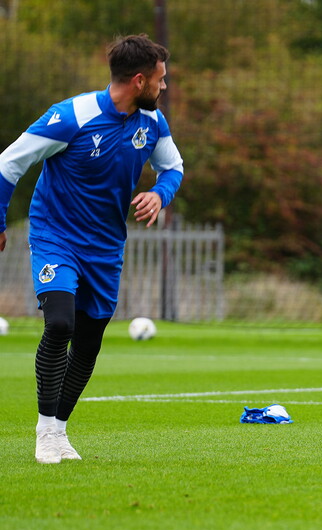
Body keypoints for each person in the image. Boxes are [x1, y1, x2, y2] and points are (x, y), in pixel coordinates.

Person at [0, 34, 184, 464]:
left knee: (87, 343)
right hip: (55, 237)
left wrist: (159, 194)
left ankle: (61, 431)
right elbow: (9, 163)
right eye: (161, 79)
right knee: (59, 324)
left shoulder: (152, 123)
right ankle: (45, 433)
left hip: (105, 247)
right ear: (139, 80)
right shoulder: (71, 116)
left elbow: (172, 167)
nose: (165, 87)